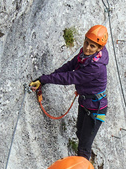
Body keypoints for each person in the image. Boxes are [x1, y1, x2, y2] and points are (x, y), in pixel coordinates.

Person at [29, 25, 109, 161]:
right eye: (86, 43)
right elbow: (71, 65)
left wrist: (44, 79)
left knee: (84, 147)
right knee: (79, 133)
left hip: (96, 109)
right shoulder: (85, 55)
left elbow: (70, 78)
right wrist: (48, 78)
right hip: (85, 103)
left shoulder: (96, 67)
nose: (87, 48)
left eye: (92, 46)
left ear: (99, 48)